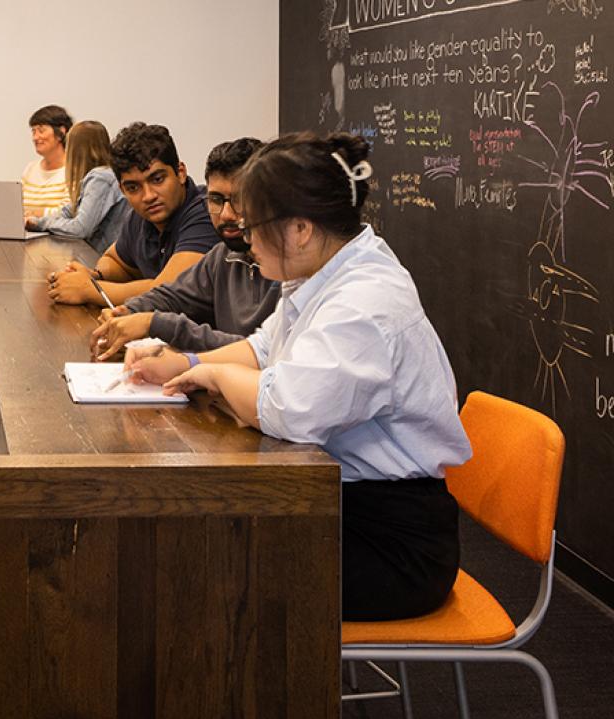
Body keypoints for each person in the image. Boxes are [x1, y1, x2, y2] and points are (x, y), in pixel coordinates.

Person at [126, 131, 471, 622]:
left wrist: (218, 377)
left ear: (300, 229)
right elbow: (265, 348)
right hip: (343, 502)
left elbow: (287, 408)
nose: (245, 238)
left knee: (207, 563)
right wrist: (188, 365)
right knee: (201, 539)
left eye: (255, 226)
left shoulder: (364, 304)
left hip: (393, 544)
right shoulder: (320, 273)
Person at [89, 137, 279, 357]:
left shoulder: (291, 268)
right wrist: (129, 311)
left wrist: (154, 323)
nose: (227, 214)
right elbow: (173, 294)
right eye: (216, 199)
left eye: (239, 199)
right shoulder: (224, 254)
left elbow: (264, 351)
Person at [46, 122, 217, 306]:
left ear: (180, 173)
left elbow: (169, 291)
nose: (148, 196)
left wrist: (90, 289)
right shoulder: (142, 215)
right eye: (133, 187)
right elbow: (115, 260)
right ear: (122, 189)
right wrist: (94, 275)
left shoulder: (208, 212)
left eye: (157, 179)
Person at [24, 120, 129, 253]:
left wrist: (39, 224)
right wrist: (33, 221)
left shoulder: (101, 178)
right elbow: (68, 211)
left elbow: (80, 228)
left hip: (100, 259)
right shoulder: (97, 177)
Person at [21, 104, 73, 216]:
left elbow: (67, 213)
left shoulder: (73, 170)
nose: (35, 137)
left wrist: (34, 214)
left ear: (61, 132)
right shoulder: (30, 169)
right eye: (33, 132)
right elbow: (16, 206)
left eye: (41, 131)